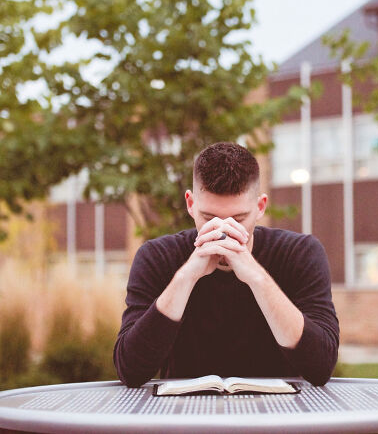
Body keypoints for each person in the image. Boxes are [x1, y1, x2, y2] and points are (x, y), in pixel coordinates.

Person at [114, 142, 339, 388]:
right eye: (209, 218)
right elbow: (131, 370)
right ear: (190, 204)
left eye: (239, 219)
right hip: (185, 417)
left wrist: (256, 277)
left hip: (278, 416)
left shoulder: (299, 253)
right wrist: (186, 276)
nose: (223, 232)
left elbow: (320, 367)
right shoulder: (157, 256)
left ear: (260, 207)